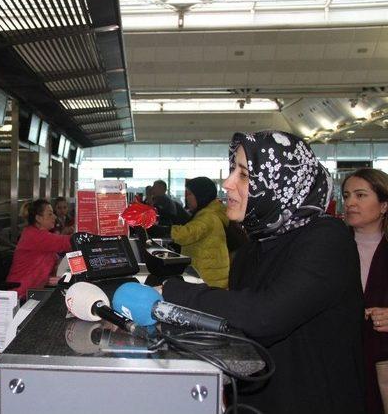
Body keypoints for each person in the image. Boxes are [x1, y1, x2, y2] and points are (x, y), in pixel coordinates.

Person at [163, 130, 364, 414]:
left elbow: (263, 317)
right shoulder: (252, 249)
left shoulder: (327, 239)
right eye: (233, 170)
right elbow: (238, 331)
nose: (228, 183)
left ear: (281, 181)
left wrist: (170, 293)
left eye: (244, 175)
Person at [342, 168, 388, 414]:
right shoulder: (331, 247)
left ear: (383, 205)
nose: (350, 203)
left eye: (360, 195)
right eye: (347, 195)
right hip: (342, 360)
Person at [170, 176, 229, 288]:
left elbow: (185, 235)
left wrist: (165, 229)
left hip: (209, 279)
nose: (187, 197)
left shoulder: (208, 216)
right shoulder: (210, 212)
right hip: (210, 275)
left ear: (200, 195)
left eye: (190, 194)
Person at [7, 199, 72, 299]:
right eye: (50, 214)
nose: (54, 217)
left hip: (34, 291)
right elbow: (67, 242)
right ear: (38, 218)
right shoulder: (34, 235)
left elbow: (53, 261)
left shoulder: (39, 234)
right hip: (21, 295)